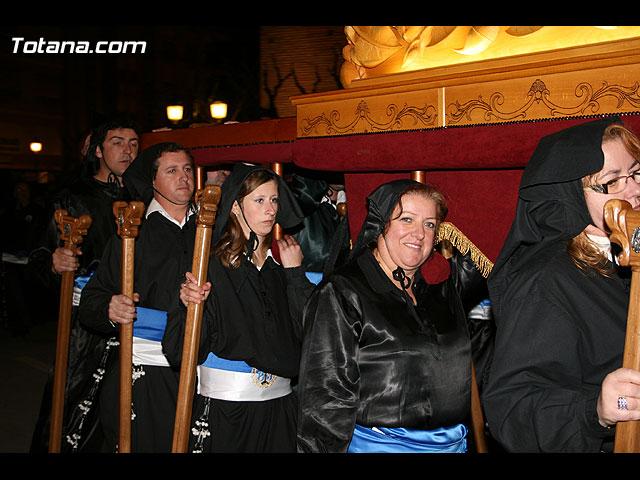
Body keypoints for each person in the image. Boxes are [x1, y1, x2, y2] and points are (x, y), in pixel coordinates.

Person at [482, 117, 640, 453]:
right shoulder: (545, 280)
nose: (635, 190)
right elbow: (511, 408)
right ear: (570, 194)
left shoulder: (630, 251)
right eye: (612, 182)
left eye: (636, 173)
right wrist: (595, 410)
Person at [296, 179, 489, 453]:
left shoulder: (442, 290)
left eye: (429, 224)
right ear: (380, 225)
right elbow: (325, 402)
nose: (419, 233)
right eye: (407, 219)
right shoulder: (342, 293)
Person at [162, 163, 315, 453]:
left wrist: (295, 276)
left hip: (280, 411)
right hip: (228, 413)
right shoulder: (210, 265)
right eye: (259, 201)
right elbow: (181, 351)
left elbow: (311, 335)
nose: (270, 210)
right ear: (235, 206)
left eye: (274, 200)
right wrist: (188, 306)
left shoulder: (280, 267)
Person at [29, 118, 139, 452]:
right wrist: (53, 262)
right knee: (71, 408)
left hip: (137, 318)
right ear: (98, 149)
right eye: (117, 142)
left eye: (134, 143)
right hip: (86, 325)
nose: (127, 150)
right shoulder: (72, 197)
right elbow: (39, 253)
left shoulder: (144, 194)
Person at [77, 142, 197, 452]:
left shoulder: (211, 230)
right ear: (152, 180)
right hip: (147, 373)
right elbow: (91, 302)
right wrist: (111, 306)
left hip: (204, 372)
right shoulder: (133, 233)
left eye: (187, 169)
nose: (184, 177)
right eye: (172, 171)